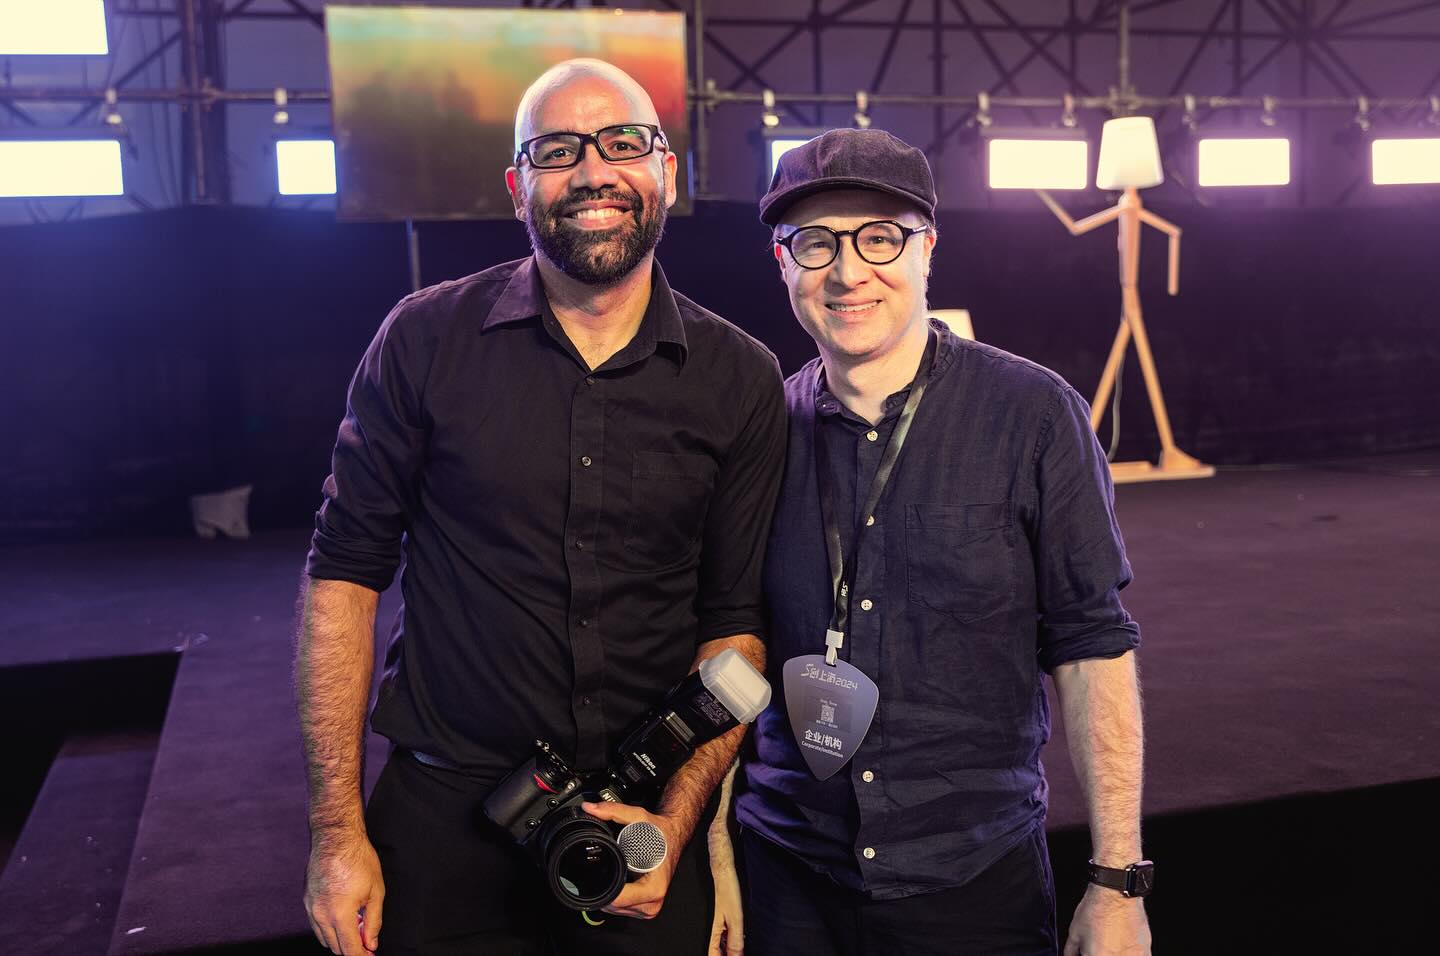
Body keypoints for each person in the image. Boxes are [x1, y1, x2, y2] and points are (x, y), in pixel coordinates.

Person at [295, 59, 786, 956]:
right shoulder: (423, 341)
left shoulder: (742, 378)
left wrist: (685, 826)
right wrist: (335, 833)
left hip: (640, 825)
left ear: (667, 170)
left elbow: (735, 633)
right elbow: (344, 578)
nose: (594, 171)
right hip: (444, 817)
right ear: (519, 187)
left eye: (623, 143)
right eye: (558, 150)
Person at [711, 128, 1152, 956]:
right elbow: (731, 649)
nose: (848, 271)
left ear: (927, 250)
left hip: (973, 883)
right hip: (787, 877)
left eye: (879, 237)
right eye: (816, 243)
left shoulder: (1034, 416)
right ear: (782, 263)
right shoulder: (759, 431)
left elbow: (1092, 645)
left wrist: (1117, 879)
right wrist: (718, 852)